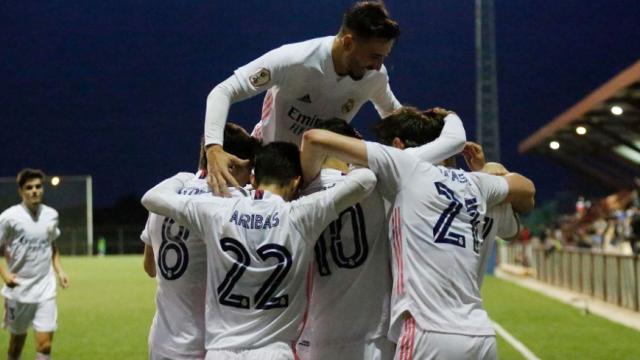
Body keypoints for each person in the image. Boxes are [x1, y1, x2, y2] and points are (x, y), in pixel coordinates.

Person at [301, 107, 535, 359]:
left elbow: (314, 138)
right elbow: (521, 209)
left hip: (419, 328)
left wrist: (305, 179)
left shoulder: (395, 175)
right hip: (478, 329)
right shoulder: (479, 186)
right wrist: (488, 167)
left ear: (398, 145)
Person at [141, 142, 376, 360]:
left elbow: (151, 198)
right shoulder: (301, 215)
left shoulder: (217, 213)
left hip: (220, 352)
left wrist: (182, 178)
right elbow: (365, 179)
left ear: (253, 179)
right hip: (274, 351)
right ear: (296, 182)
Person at [203, 1, 401, 195]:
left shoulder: (375, 77)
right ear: (348, 42)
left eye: (383, 57)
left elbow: (394, 115)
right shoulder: (294, 60)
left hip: (319, 178)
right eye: (374, 56)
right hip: (272, 172)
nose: (377, 66)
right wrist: (213, 149)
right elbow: (223, 91)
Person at [141, 123, 260, 360]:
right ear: (232, 164)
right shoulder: (231, 203)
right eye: (250, 168)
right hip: (207, 345)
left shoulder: (166, 197)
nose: (251, 176)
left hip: (164, 341)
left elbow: (150, 267)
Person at [0, 168, 70, 360]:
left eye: (38, 186)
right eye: (29, 187)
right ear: (21, 191)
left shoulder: (51, 215)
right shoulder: (9, 218)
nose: (34, 191)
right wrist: (5, 275)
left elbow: (52, 245)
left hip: (45, 289)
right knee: (16, 345)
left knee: (45, 345)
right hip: (18, 291)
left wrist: (60, 270)